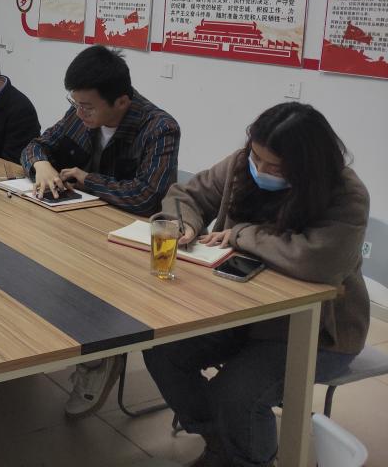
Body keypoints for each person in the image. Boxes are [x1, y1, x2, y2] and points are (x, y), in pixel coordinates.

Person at [143, 103, 368, 467]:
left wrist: (242, 235)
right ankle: (220, 441)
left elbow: (317, 260)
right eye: (256, 157)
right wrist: (185, 223)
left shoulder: (345, 194)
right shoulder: (241, 164)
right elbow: (186, 195)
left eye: (275, 167)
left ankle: (249, 457)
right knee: (163, 351)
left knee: (238, 394)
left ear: (307, 166)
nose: (260, 170)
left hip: (315, 331)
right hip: (239, 312)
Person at [20, 44, 180, 418]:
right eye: (75, 103)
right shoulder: (81, 114)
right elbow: (37, 144)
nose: (79, 113)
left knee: (81, 285)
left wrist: (88, 179)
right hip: (80, 227)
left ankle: (100, 359)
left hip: (128, 244)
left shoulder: (159, 128)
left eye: (88, 107)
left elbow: (147, 196)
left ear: (121, 101)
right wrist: (41, 165)